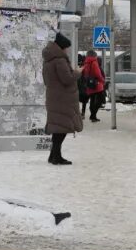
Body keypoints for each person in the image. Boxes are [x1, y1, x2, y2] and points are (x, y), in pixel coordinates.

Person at [42, 33, 83, 165]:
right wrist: (77, 72)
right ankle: (56, 157)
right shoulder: (59, 60)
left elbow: (46, 80)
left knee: (58, 128)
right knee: (62, 129)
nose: (67, 50)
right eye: (66, 48)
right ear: (61, 47)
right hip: (62, 99)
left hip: (54, 97)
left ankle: (53, 155)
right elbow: (67, 79)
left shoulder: (48, 60)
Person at [82, 50, 106, 122]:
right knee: (101, 100)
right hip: (97, 84)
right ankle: (93, 115)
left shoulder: (86, 62)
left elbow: (85, 73)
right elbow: (97, 73)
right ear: (94, 55)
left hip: (89, 84)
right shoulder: (94, 62)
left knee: (93, 100)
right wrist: (102, 80)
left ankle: (93, 116)